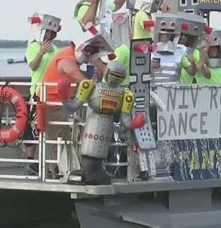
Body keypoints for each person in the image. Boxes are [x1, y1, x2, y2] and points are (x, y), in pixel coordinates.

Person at [37, 25, 113, 178]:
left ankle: (68, 169)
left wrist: (104, 74)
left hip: (65, 102)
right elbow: (73, 71)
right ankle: (58, 171)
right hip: (52, 103)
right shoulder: (66, 56)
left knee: (71, 136)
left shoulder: (76, 58)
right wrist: (93, 87)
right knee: (60, 137)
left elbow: (91, 70)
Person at [58, 61, 144, 185]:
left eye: (119, 76)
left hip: (107, 123)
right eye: (114, 75)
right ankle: (89, 171)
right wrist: (64, 97)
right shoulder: (91, 86)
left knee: (100, 151)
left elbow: (125, 120)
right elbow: (73, 106)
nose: (115, 79)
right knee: (89, 148)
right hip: (94, 121)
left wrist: (134, 124)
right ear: (107, 73)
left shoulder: (126, 94)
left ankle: (94, 172)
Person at [24, 13, 61, 175]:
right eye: (46, 32)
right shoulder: (33, 47)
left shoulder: (56, 49)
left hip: (54, 94)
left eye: (51, 33)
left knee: (55, 130)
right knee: (33, 128)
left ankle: (56, 164)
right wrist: (41, 53)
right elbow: (33, 66)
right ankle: (30, 161)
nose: (48, 35)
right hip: (38, 93)